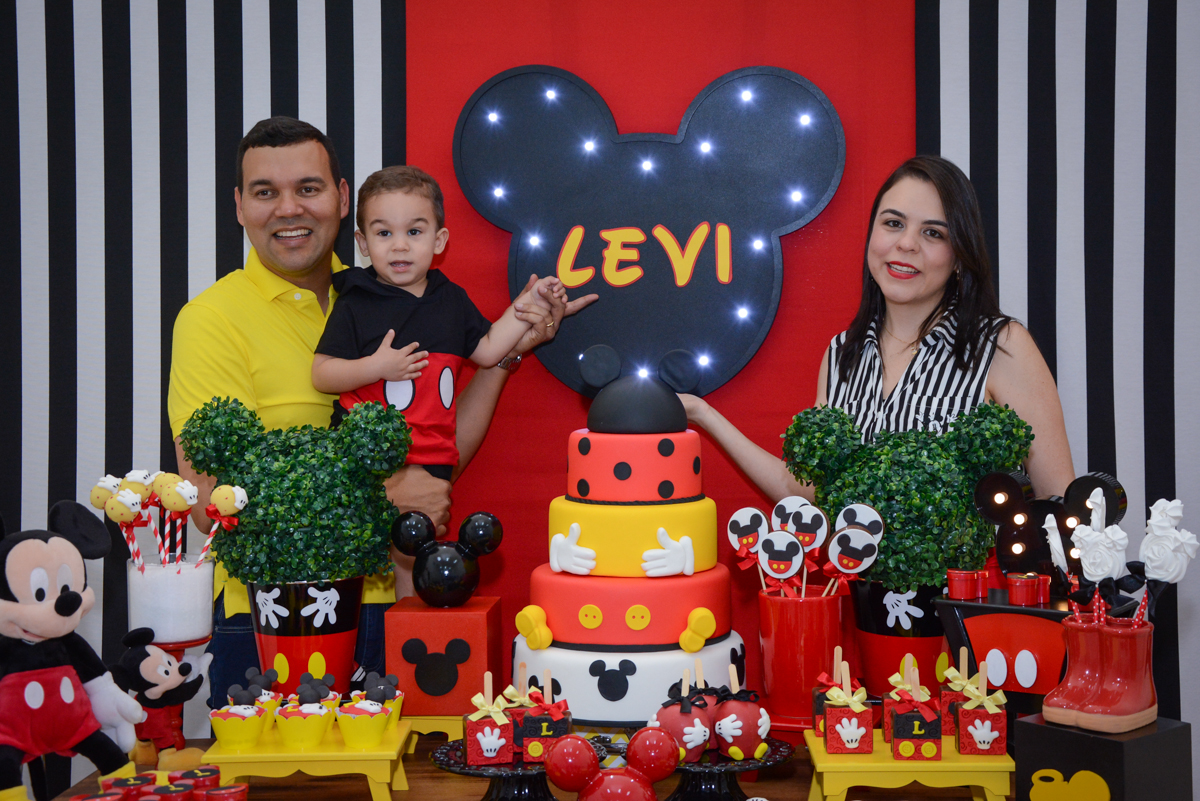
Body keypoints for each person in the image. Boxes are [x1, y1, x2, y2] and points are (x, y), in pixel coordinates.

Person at [167, 117, 595, 707]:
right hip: (274, 616)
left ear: (342, 199)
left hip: (392, 607)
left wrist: (511, 347)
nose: (289, 208)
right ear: (240, 206)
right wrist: (380, 498)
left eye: (308, 188)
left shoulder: (395, 294)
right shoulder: (210, 319)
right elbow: (210, 503)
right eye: (266, 192)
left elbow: (438, 453)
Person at [681, 155, 1075, 501]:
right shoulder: (841, 354)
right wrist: (703, 414)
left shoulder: (1001, 345)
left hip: (967, 587)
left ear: (959, 257)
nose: (906, 244)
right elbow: (803, 490)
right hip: (857, 585)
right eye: (893, 223)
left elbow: (1057, 499)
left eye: (933, 233)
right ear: (872, 234)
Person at [312, 166, 565, 481]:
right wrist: (375, 367)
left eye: (414, 232)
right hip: (363, 458)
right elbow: (321, 374)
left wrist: (524, 307)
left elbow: (488, 350)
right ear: (363, 244)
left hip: (435, 458)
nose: (399, 245)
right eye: (384, 233)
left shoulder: (451, 299)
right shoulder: (356, 300)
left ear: (439, 240)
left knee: (424, 527)